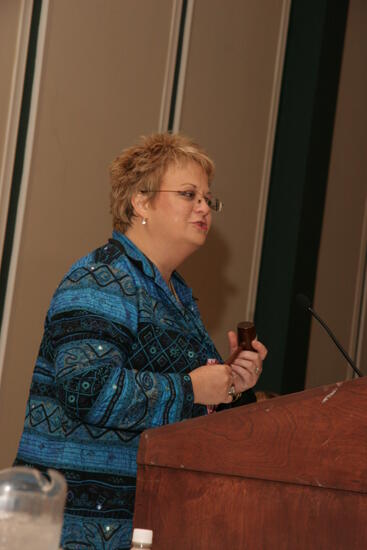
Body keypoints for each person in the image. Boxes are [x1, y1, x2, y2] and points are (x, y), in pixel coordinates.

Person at [14, 133, 267, 549]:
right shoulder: (100, 278)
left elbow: (188, 418)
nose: (204, 207)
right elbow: (85, 390)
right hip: (73, 527)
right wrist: (191, 387)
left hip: (139, 520)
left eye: (208, 198)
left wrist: (233, 383)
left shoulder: (177, 297)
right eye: (189, 194)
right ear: (141, 202)